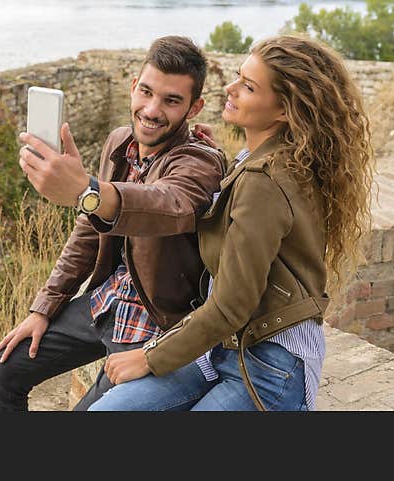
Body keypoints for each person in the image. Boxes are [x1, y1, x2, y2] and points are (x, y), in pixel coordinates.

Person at [88, 33, 373, 411]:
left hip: (268, 365)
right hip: (220, 348)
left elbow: (232, 306)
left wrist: (149, 356)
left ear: (284, 110)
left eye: (248, 87)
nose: (230, 88)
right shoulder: (257, 160)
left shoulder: (264, 180)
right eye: (238, 77)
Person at [0, 35, 227, 411]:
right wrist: (43, 307)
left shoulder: (201, 162)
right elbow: (87, 230)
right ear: (133, 86)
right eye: (145, 92)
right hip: (105, 302)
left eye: (171, 100)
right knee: (1, 370)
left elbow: (168, 205)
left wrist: (87, 190)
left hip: (158, 321)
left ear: (195, 108)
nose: (151, 109)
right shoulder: (119, 142)